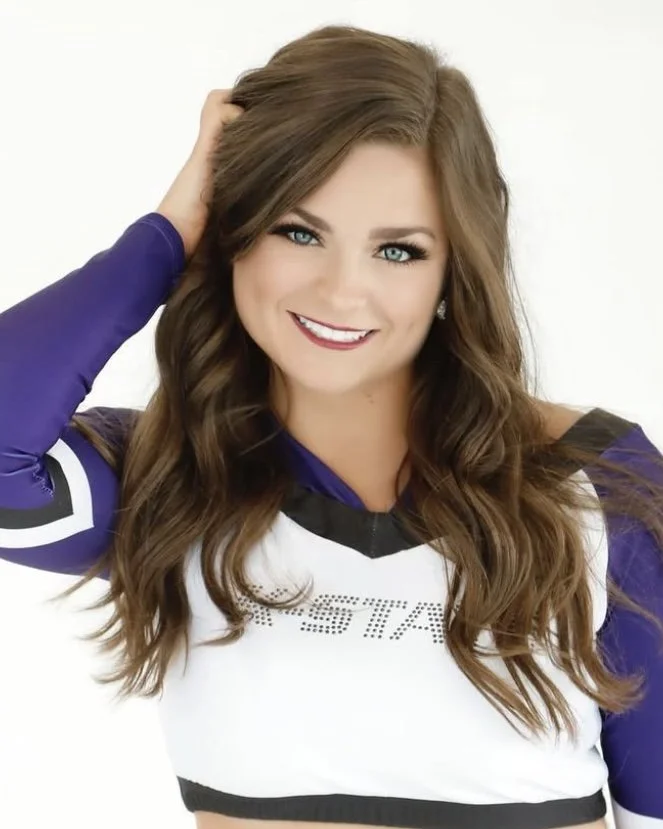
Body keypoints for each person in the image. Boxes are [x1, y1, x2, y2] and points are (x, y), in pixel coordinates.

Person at [1, 23, 662, 829]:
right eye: (297, 230)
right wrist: (168, 236)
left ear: (456, 269)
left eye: (398, 251)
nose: (342, 291)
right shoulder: (166, 485)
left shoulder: (590, 479)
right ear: (231, 234)